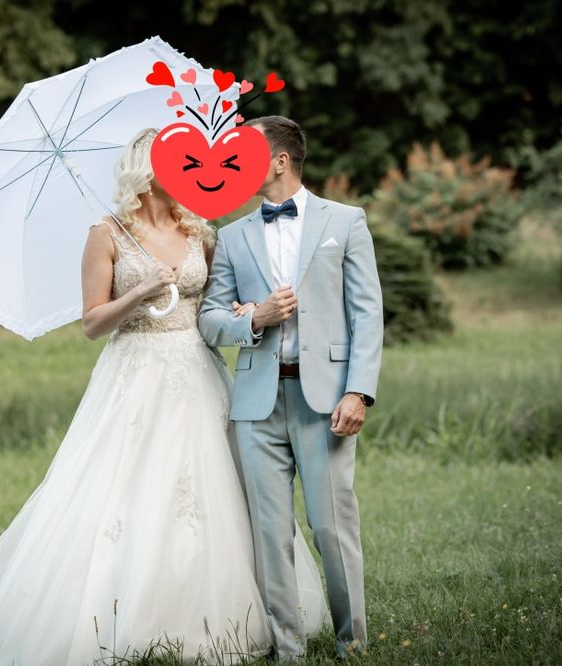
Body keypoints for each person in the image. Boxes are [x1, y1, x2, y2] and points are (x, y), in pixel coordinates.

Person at [0, 127, 329, 666]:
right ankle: (121, 619)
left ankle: (229, 617)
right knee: (128, 488)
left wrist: (241, 310)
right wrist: (140, 291)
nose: (192, 172)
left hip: (199, 370)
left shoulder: (200, 230)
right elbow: (92, 322)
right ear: (147, 168)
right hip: (135, 370)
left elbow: (216, 307)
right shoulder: (107, 234)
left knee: (215, 490)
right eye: (180, 162)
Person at [198, 115, 384, 661]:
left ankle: (353, 643)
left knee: (331, 527)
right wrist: (255, 318)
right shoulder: (232, 235)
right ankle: (287, 648)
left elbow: (367, 313)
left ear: (280, 161)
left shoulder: (345, 221)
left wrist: (359, 391)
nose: (234, 165)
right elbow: (210, 319)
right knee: (269, 532)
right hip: (256, 402)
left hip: (325, 401)